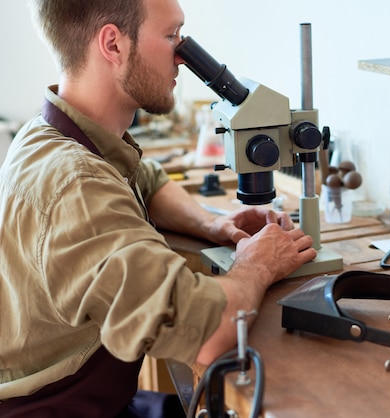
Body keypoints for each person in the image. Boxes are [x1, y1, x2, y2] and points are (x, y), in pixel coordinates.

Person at [0, 0, 317, 416]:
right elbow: (210, 332)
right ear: (113, 44)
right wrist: (256, 265)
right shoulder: (77, 184)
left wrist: (214, 224)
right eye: (171, 36)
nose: (182, 56)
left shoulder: (52, 131)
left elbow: (145, 180)